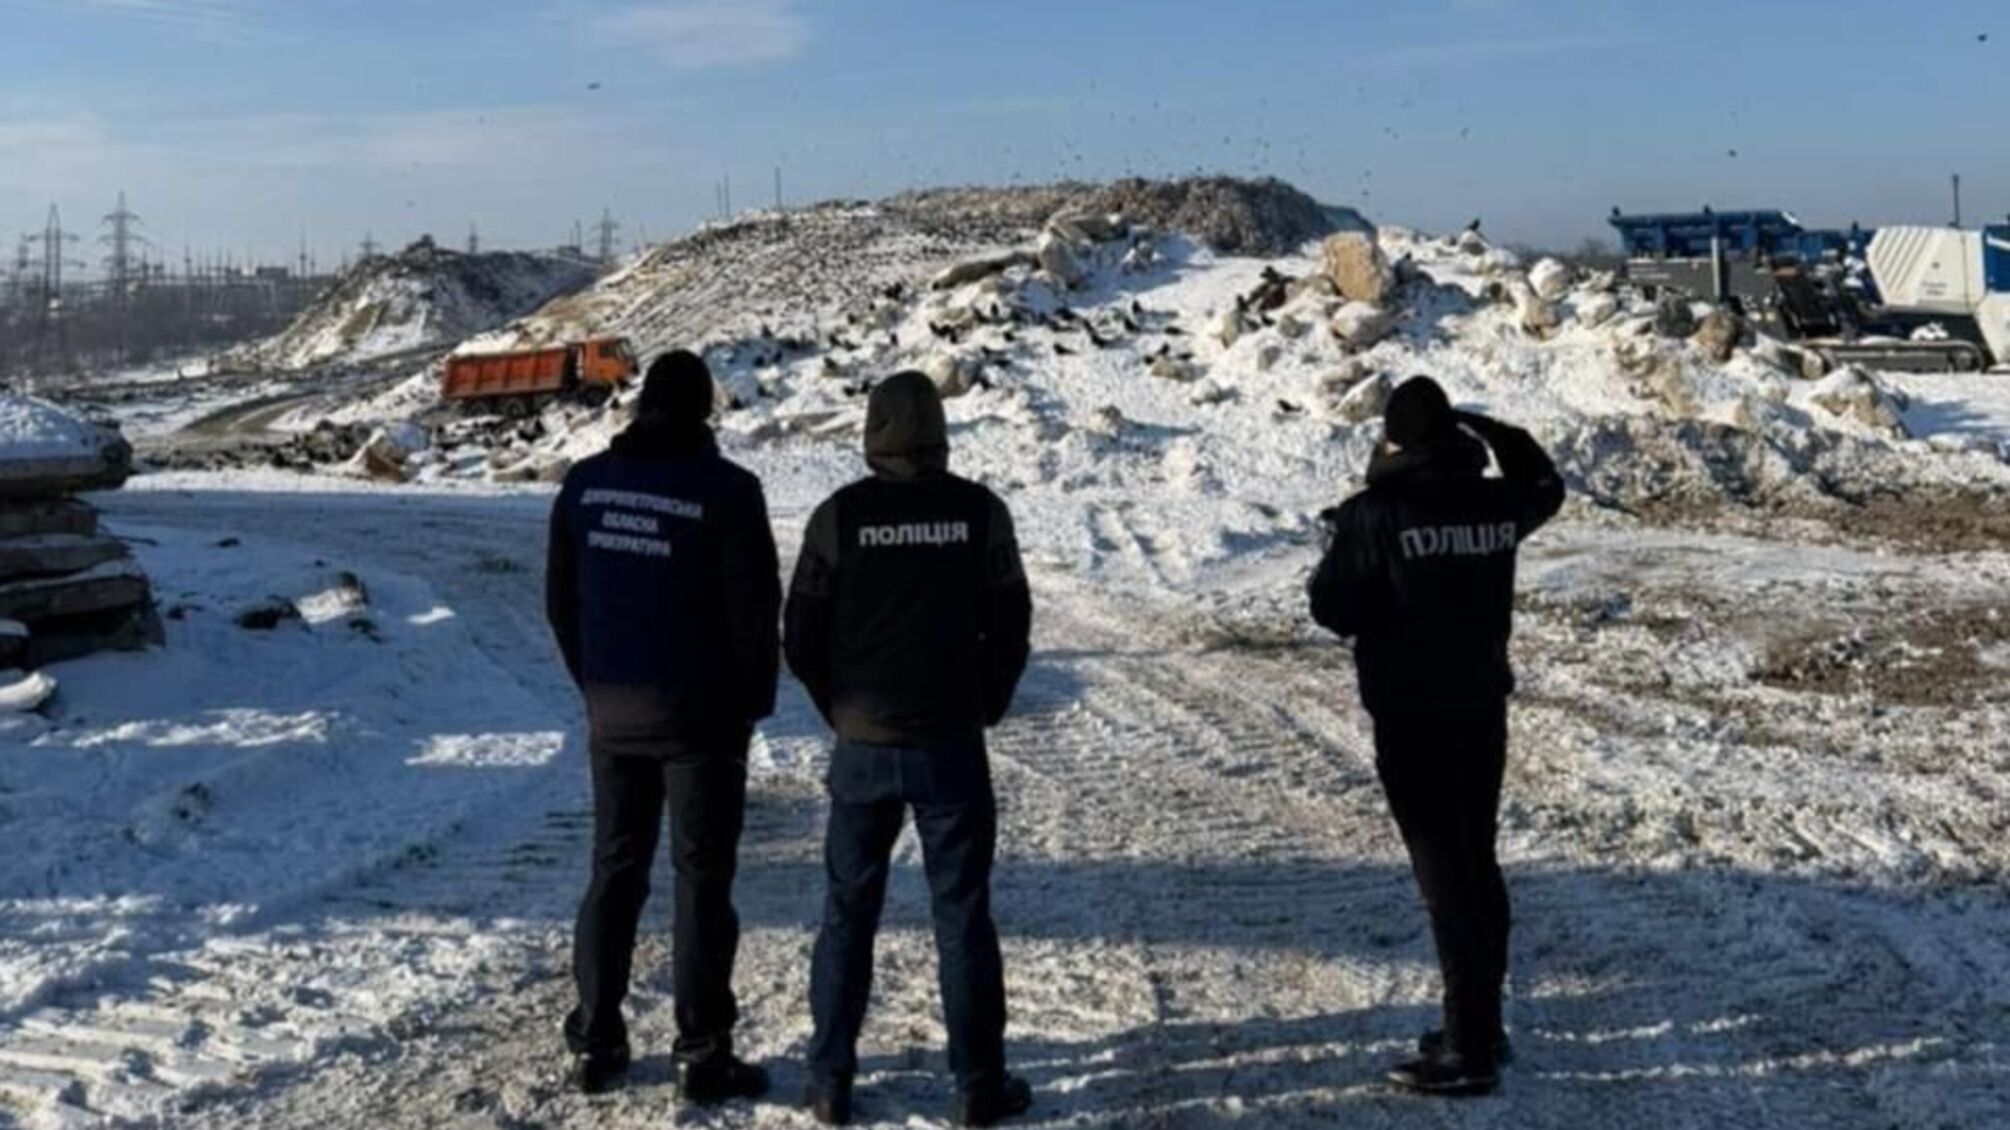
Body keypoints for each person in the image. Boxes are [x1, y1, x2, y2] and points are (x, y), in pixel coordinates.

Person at [784, 371, 1034, 1127]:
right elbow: (1013, 620)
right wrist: (986, 699)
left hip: (862, 744)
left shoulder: (837, 517)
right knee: (962, 915)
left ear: (872, 433)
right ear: (938, 430)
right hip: (951, 744)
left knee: (846, 912)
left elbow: (800, 634)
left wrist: (839, 709)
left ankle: (830, 1080)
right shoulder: (979, 512)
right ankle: (977, 1086)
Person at [1307, 376, 1564, 1097]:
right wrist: (1494, 429)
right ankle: (1479, 1024)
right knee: (1477, 865)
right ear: (1450, 437)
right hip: (1481, 707)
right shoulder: (1496, 502)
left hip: (1411, 716)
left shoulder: (1375, 514)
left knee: (1446, 878)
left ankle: (1469, 1050)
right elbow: (1545, 482)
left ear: (1393, 440)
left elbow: (1334, 609)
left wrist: (1337, 552)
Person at [545, 349, 781, 1103]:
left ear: (642, 405)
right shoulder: (729, 491)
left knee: (615, 871)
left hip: (614, 714)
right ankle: (702, 1050)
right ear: (707, 409)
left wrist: (596, 683)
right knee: (701, 881)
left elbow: (561, 598)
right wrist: (750, 704)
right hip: (703, 720)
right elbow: (755, 610)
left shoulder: (584, 486)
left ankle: (596, 1039)